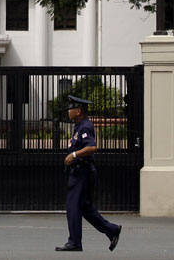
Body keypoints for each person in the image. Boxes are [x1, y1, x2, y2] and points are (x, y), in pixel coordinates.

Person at [55, 95, 122, 252]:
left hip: (82, 172)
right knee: (84, 207)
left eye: (71, 109)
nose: (68, 111)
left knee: (73, 207)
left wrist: (74, 155)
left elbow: (92, 147)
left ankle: (74, 243)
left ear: (78, 111)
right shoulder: (79, 126)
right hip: (80, 171)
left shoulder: (85, 126)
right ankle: (112, 230)